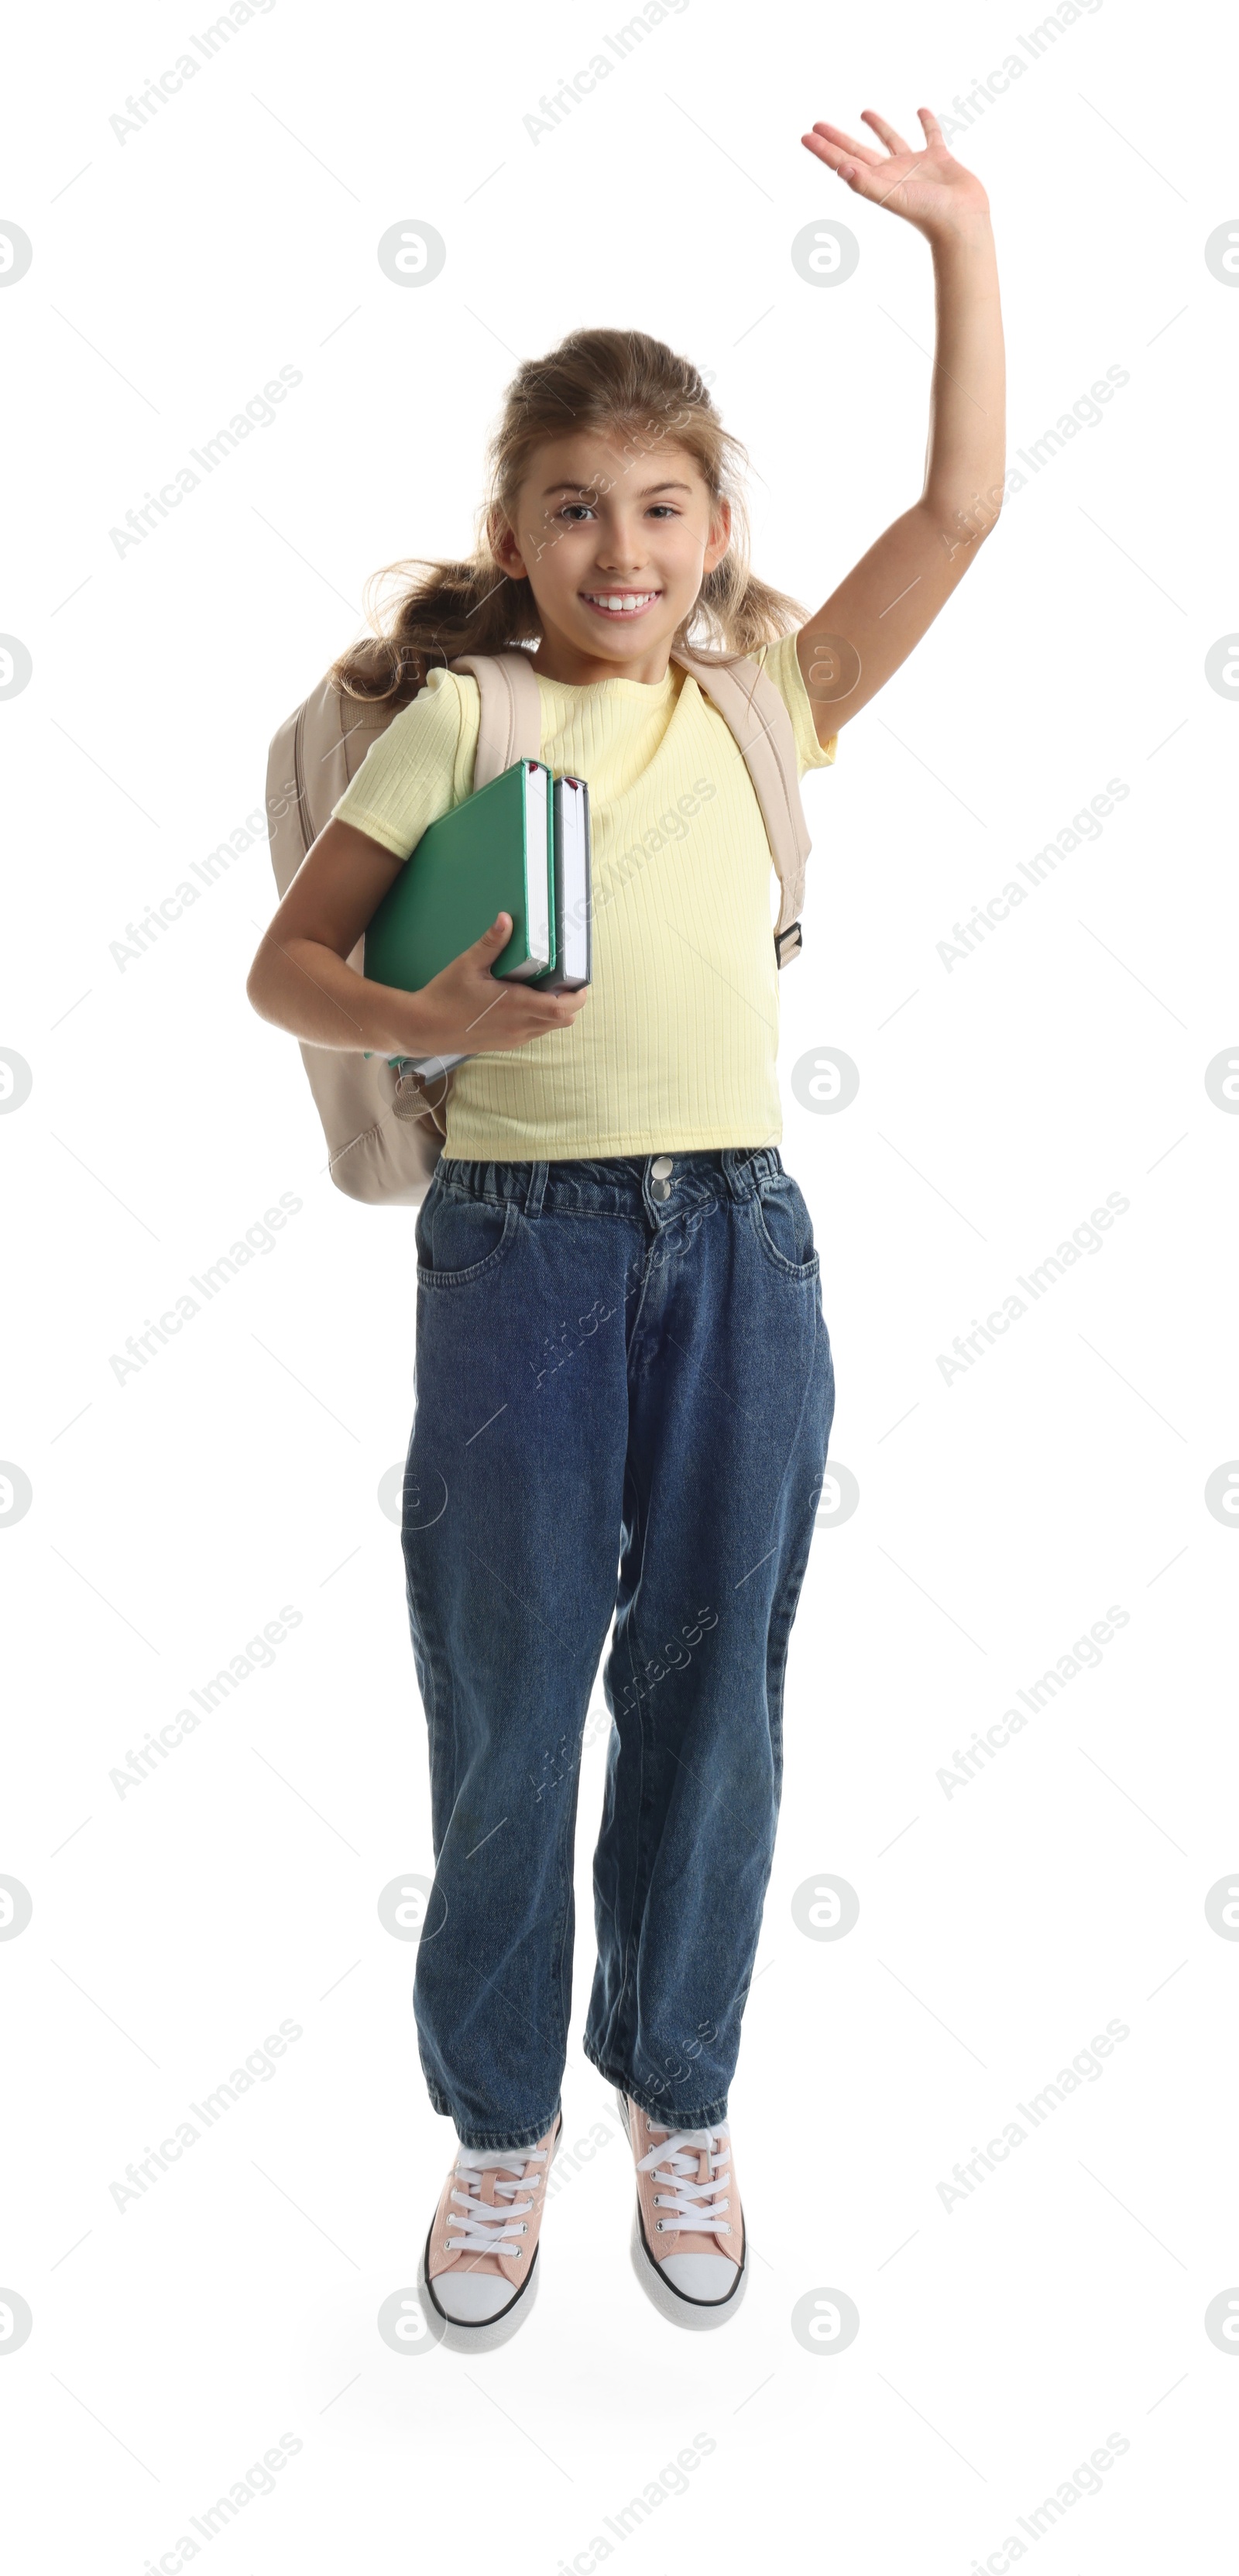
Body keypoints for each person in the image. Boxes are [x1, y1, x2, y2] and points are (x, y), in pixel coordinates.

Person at [247, 104, 1005, 2348]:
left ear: (715, 531)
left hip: (741, 1250)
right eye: (576, 509)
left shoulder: (769, 706)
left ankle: (679, 2090)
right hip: (520, 1255)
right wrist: (436, 1007)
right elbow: (290, 969)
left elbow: (961, 508)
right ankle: (503, 2132)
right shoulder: (464, 719)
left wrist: (960, 234)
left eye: (662, 508)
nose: (621, 545)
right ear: (518, 530)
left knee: (716, 1698)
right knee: (507, 1705)